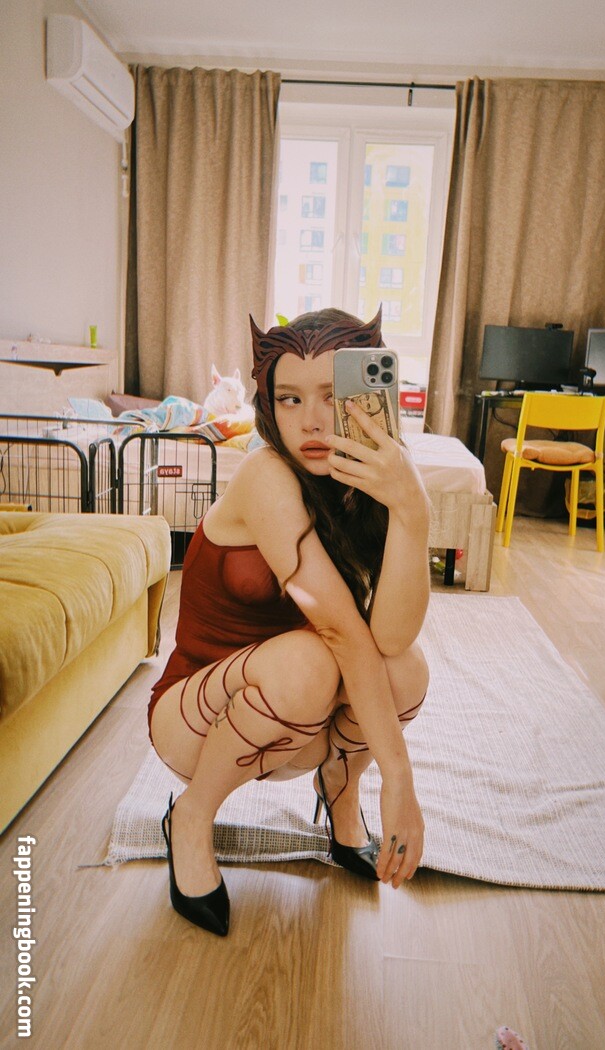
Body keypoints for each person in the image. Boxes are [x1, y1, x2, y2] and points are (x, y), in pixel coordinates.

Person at [148, 307, 431, 936]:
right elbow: (339, 634)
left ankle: (341, 798)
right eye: (290, 398)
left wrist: (412, 506)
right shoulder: (266, 475)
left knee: (405, 670)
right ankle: (191, 816)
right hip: (197, 718)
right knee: (314, 656)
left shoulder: (361, 480)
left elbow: (390, 638)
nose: (310, 420)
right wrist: (400, 778)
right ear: (269, 407)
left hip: (295, 722)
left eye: (332, 395)